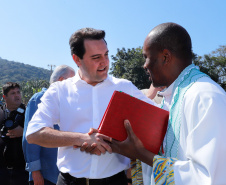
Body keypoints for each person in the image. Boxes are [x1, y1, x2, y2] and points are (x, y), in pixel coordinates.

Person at [25, 28, 154, 185]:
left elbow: (155, 122)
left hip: (115, 181)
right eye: (96, 57)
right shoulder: (59, 90)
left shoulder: (125, 88)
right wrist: (82, 139)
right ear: (77, 59)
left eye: (106, 54)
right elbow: (33, 133)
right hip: (69, 181)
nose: (105, 62)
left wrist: (113, 142)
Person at [109, 22, 226, 185]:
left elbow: (209, 178)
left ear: (165, 57)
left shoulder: (205, 97)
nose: (144, 65)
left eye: (146, 57)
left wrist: (140, 153)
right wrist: (126, 147)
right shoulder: (170, 97)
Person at [22, 65, 75, 185]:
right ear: (61, 80)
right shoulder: (40, 98)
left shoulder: (64, 102)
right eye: (72, 81)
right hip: (46, 174)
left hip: (61, 172)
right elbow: (30, 138)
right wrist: (35, 171)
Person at [0, 82, 28, 185]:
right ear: (4, 97)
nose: (17, 95)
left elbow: (40, 134)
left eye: (18, 92)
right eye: (12, 93)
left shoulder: (29, 113)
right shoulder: (0, 112)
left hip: (22, 169)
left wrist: (24, 132)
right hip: (2, 170)